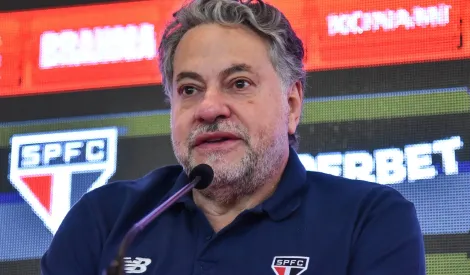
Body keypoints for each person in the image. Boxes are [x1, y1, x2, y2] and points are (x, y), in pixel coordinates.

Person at [40, 0, 426, 274]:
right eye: (189, 89)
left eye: (238, 83)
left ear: (291, 106)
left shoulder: (369, 219)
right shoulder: (106, 221)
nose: (209, 108)